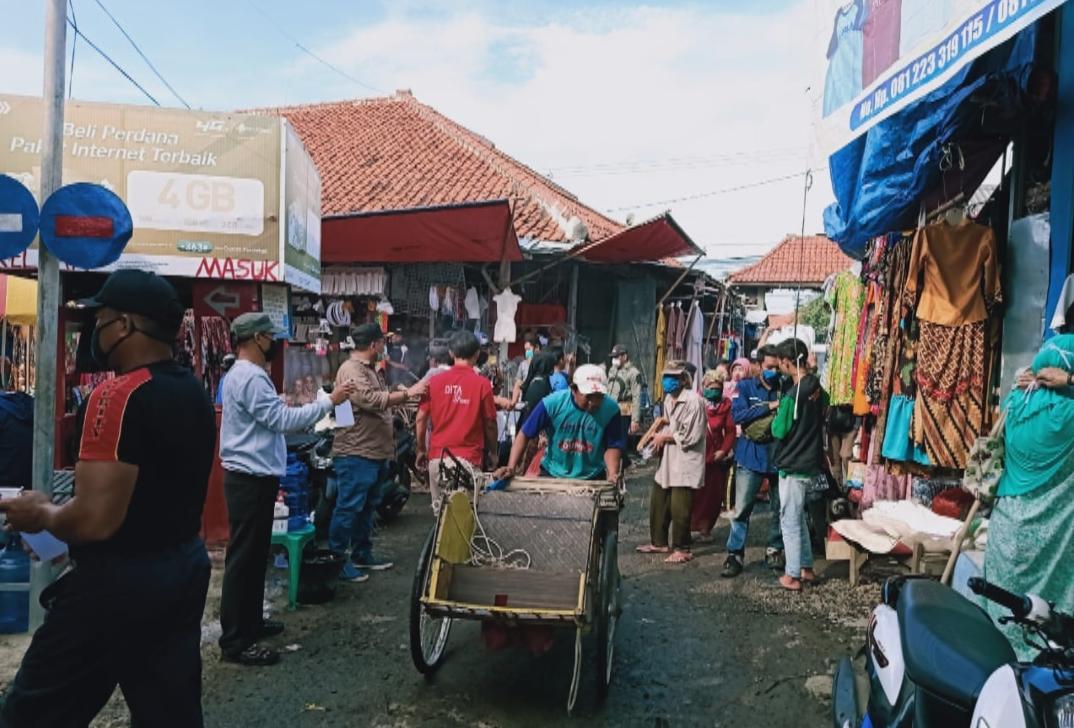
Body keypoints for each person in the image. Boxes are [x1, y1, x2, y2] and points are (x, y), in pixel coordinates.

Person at [0, 270, 215, 726]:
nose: (93, 329)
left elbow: (95, 520)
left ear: (124, 326)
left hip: (115, 584)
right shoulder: (192, 390)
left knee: (32, 713)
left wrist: (41, 513)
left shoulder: (115, 395)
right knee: (168, 713)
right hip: (183, 567)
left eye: (100, 317)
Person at [218, 313, 354, 667]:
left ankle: (250, 623)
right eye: (269, 337)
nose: (273, 344)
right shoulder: (249, 377)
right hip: (248, 478)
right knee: (244, 559)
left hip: (253, 475)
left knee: (254, 555)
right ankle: (235, 640)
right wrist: (328, 401)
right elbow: (282, 421)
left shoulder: (246, 375)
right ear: (257, 338)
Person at [985, 335, 1074, 658]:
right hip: (1051, 544)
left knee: (1002, 620)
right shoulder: (1069, 415)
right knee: (1042, 630)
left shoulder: (1013, 401)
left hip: (1005, 536)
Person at [332, 323, 427, 582]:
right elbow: (371, 400)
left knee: (366, 507)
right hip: (355, 452)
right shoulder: (350, 370)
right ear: (374, 344)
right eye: (382, 342)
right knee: (349, 507)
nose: (385, 346)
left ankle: (362, 554)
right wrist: (407, 394)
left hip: (373, 452)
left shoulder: (369, 370)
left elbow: (378, 397)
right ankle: (338, 560)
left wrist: (397, 395)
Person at [495, 364, 624, 481]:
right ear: (574, 390)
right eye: (589, 397)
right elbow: (525, 433)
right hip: (554, 472)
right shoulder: (552, 404)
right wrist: (511, 467)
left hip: (591, 475)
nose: (594, 402)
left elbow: (613, 445)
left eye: (599, 396)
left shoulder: (610, 409)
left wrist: (612, 474)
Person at [416, 330, 498, 512]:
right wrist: (493, 452)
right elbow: (490, 423)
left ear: (451, 354)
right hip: (468, 462)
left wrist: (421, 449)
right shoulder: (482, 384)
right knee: (465, 521)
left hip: (438, 459)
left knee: (441, 519)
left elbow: (421, 418)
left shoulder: (434, 381)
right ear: (477, 354)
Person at [722, 345, 785, 578]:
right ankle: (735, 553)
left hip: (778, 455)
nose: (774, 372)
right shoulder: (745, 387)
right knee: (742, 508)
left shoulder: (784, 388)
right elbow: (738, 415)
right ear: (758, 366)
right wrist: (769, 407)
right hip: (750, 453)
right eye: (769, 367)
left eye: (777, 368)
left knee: (778, 507)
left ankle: (774, 549)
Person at [771, 338, 828, 592]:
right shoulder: (817, 387)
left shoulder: (791, 396)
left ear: (787, 362)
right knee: (800, 519)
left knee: (790, 520)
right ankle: (806, 567)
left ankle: (792, 574)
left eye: (781, 363)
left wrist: (776, 415)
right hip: (811, 462)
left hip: (793, 465)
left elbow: (779, 430)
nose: (779, 368)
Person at [637, 361, 708, 564]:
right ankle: (658, 542)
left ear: (683, 379)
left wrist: (665, 438)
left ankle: (682, 547)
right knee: (659, 500)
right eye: (666, 376)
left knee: (680, 506)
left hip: (686, 460)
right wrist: (656, 440)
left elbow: (692, 435)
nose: (667, 381)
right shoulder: (668, 399)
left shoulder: (694, 402)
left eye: (673, 377)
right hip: (668, 458)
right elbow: (667, 425)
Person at [691, 369, 736, 541]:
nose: (714, 390)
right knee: (692, 494)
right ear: (704, 386)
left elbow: (730, 431)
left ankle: (705, 528)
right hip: (695, 455)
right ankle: (687, 527)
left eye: (717, 387)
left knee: (712, 497)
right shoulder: (695, 402)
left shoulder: (726, 405)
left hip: (715, 458)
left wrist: (723, 450)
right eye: (710, 386)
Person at [606, 344, 644, 436]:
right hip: (609, 411)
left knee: (620, 442)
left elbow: (636, 396)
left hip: (623, 413)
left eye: (616, 356)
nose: (614, 359)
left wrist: (635, 420)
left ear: (625, 356)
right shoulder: (612, 370)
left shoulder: (633, 373)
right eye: (613, 357)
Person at [511, 331, 541, 406]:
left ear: (536, 348)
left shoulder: (541, 364)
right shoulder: (523, 364)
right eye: (525, 350)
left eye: (529, 349)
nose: (527, 352)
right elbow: (517, 383)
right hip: (525, 399)